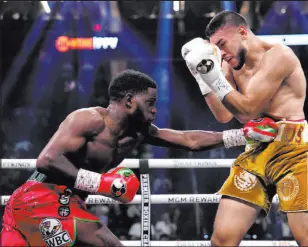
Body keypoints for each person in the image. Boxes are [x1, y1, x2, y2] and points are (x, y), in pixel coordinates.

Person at [0, 69, 277, 246]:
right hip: (40, 197)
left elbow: (187, 140)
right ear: (130, 100)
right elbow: (46, 160)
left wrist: (241, 135)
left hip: (55, 205)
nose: (155, 110)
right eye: (151, 103)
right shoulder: (88, 119)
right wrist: (100, 184)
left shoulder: (138, 132)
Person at [182, 10, 308, 247]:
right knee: (222, 239)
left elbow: (247, 110)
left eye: (222, 44)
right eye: (215, 48)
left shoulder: (279, 55)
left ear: (241, 32)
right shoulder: (229, 64)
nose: (222, 53)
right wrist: (202, 77)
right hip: (256, 149)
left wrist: (212, 75)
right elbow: (223, 114)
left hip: (293, 152)